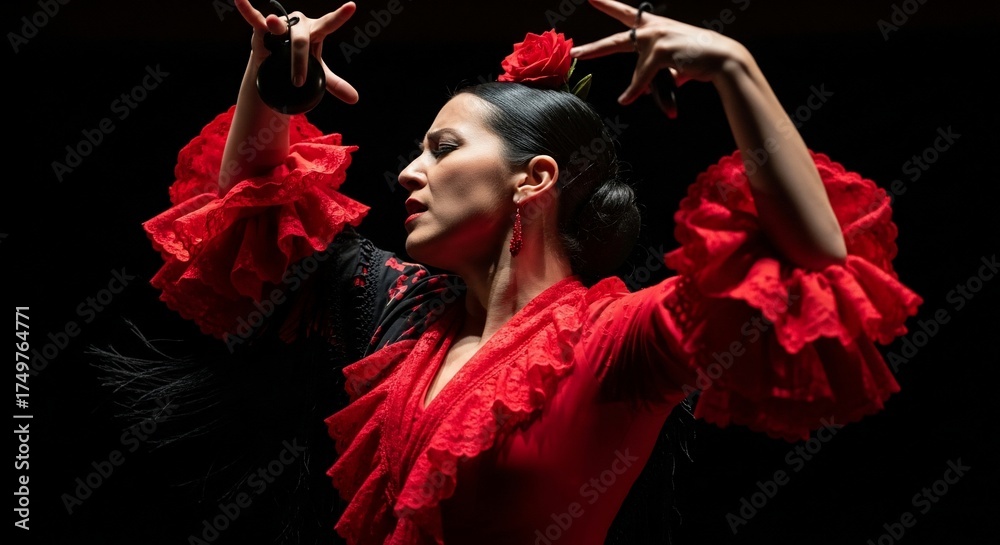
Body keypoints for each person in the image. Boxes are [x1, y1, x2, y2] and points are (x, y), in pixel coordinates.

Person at [103, 0, 922, 543]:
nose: (405, 174)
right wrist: (272, 90)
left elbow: (813, 258)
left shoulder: (618, 340)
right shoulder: (401, 314)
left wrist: (737, 68)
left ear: (533, 179)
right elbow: (250, 214)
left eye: (444, 148)